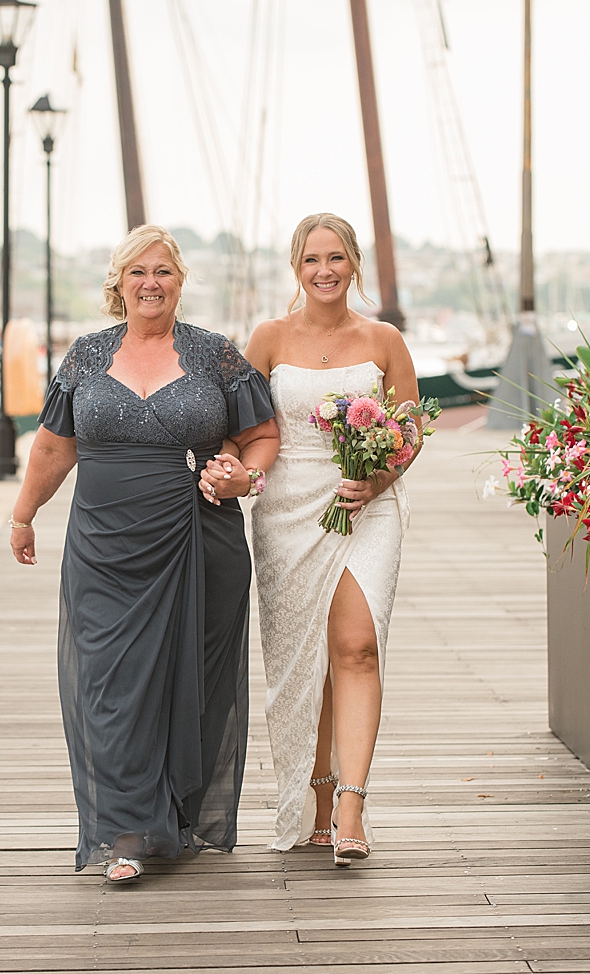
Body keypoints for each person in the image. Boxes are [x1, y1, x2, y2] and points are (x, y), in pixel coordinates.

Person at [10, 224, 279, 882]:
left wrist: (243, 474)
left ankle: (171, 816)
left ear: (180, 281)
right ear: (119, 283)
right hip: (103, 546)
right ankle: (126, 830)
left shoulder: (216, 355)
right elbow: (51, 448)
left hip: (199, 538)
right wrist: (24, 512)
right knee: (113, 684)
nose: (151, 282)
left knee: (189, 684)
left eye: (162, 271)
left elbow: (262, 432)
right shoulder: (84, 357)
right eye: (138, 272)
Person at [242, 213, 420, 865]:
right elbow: (240, 427)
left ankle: (351, 804)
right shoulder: (266, 339)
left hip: (368, 504)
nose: (325, 269)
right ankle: (311, 797)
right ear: (297, 266)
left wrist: (377, 478)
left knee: (357, 645)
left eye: (337, 257)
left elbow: (411, 427)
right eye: (313, 258)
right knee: (301, 663)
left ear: (354, 264)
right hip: (287, 512)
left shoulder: (383, 339)